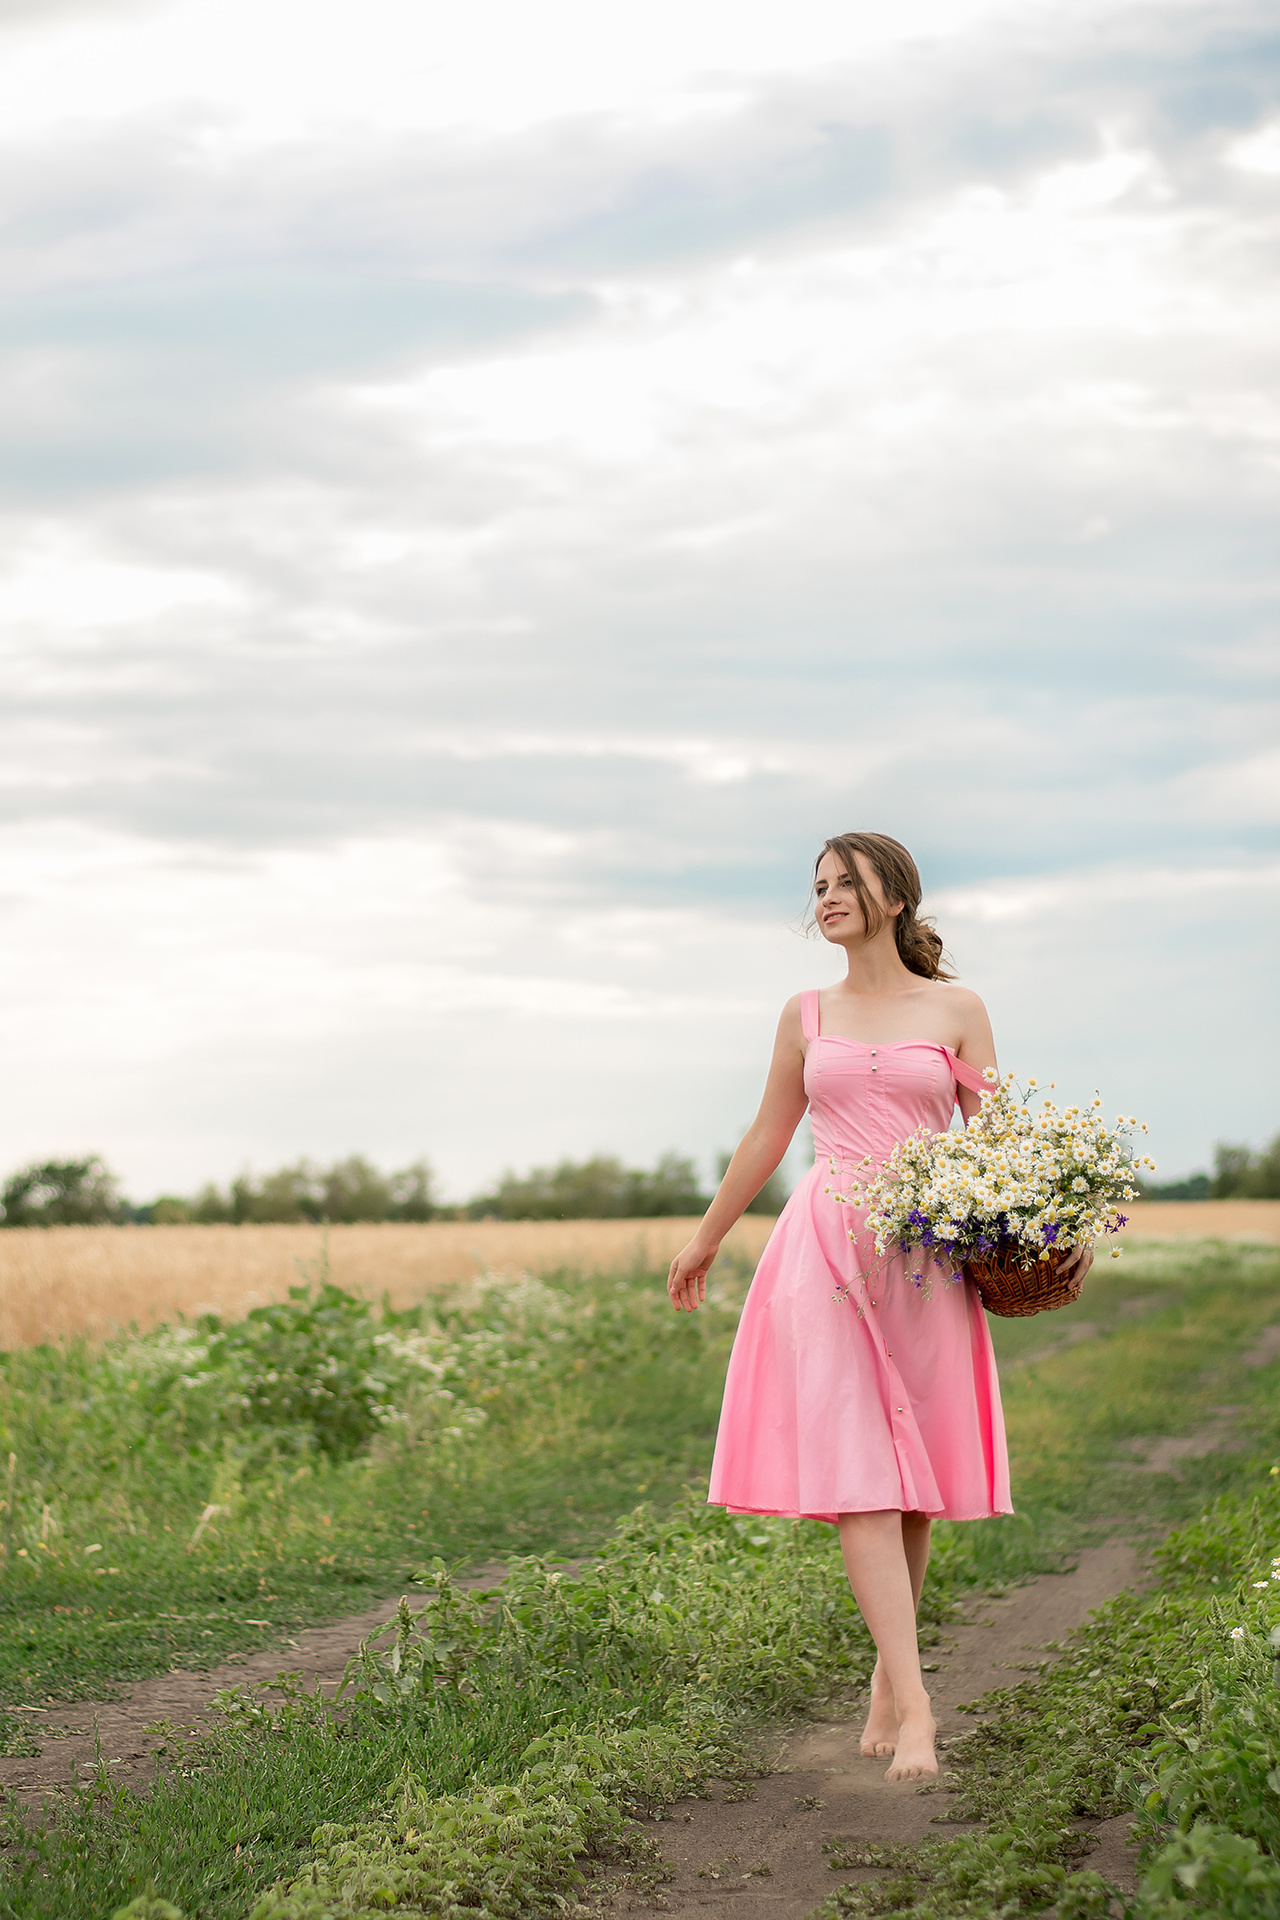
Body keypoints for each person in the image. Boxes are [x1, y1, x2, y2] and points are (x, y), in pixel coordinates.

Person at [666, 831, 1093, 1783]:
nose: (825, 898)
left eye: (844, 883)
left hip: (926, 1254)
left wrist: (1059, 1217)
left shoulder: (958, 1009)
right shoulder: (803, 1012)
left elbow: (1002, 1145)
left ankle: (883, 1684)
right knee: (862, 1473)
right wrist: (705, 1238)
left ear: (893, 895)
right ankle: (920, 1710)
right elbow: (769, 1134)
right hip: (825, 1248)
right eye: (816, 887)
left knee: (912, 1479)